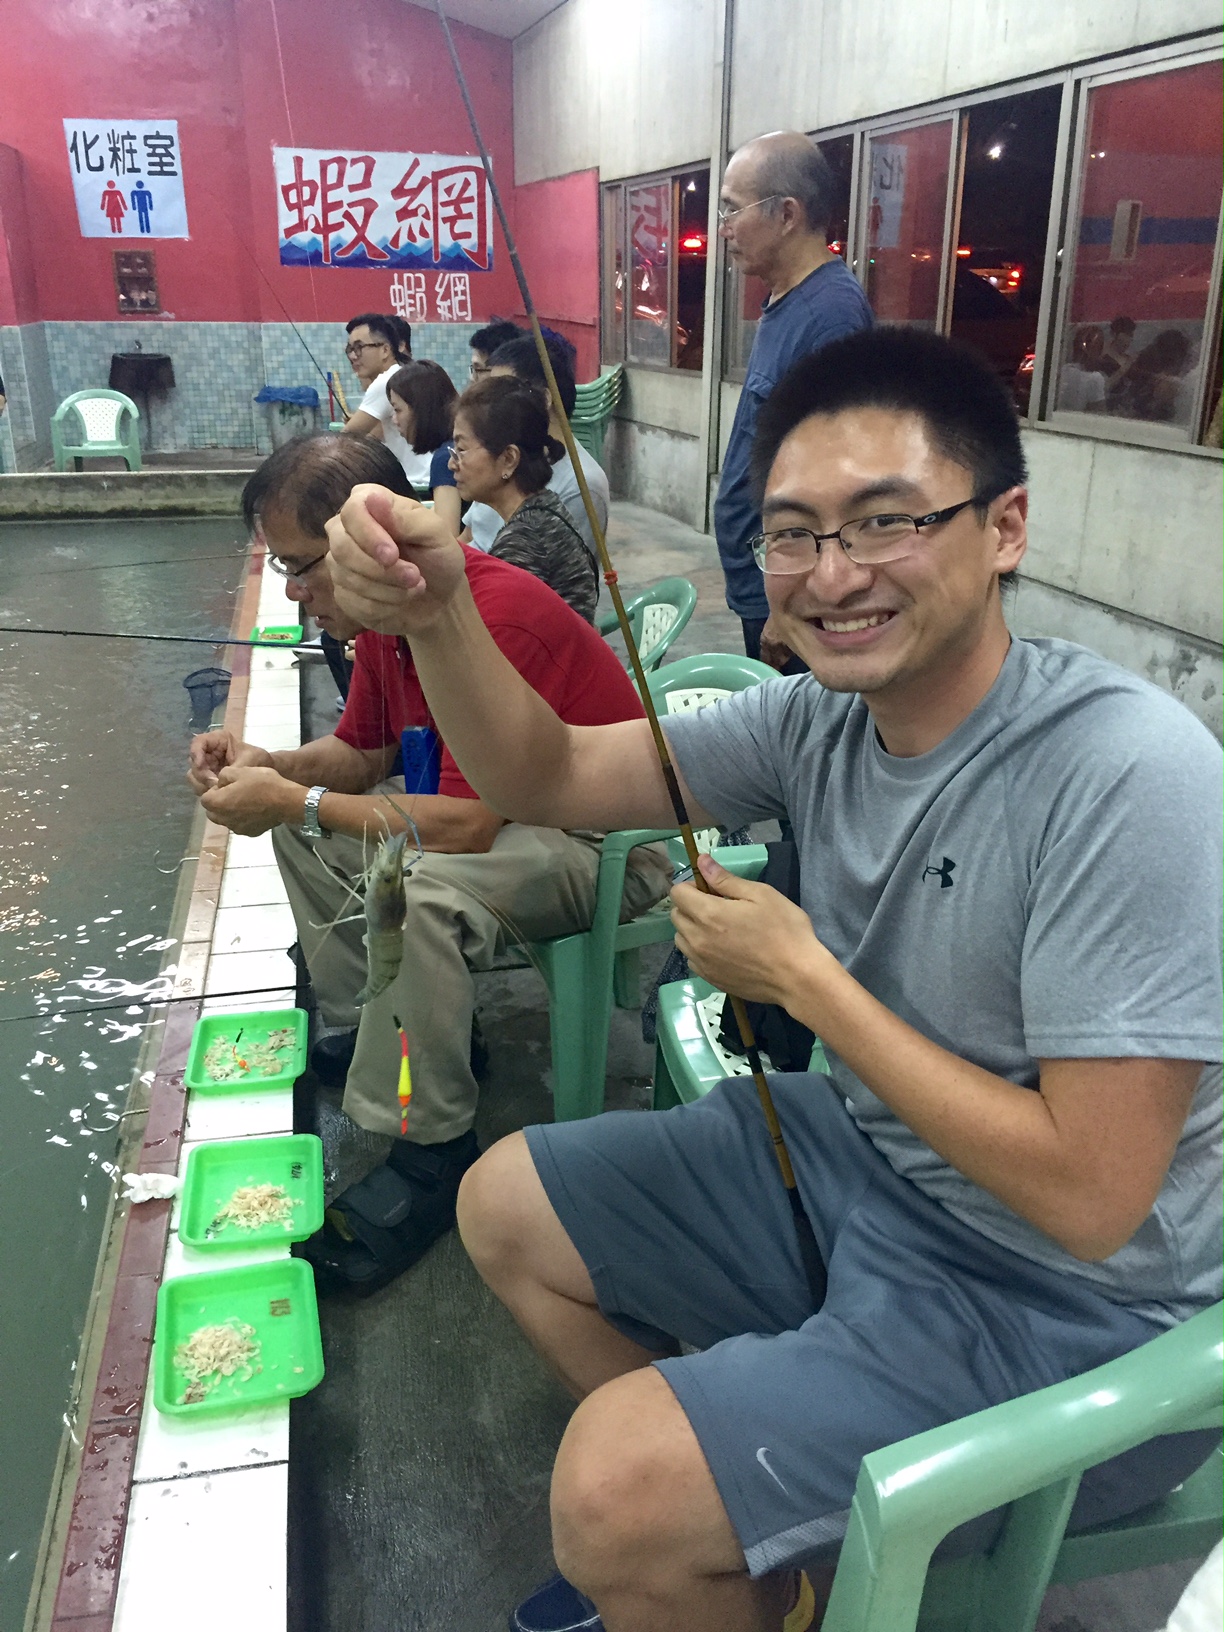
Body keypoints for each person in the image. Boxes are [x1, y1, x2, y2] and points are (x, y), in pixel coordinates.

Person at [326, 326, 1224, 1632]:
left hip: (1073, 1314)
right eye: (795, 533)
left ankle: (699, 1541)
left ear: (1006, 527)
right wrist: (443, 604)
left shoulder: (1128, 776)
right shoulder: (818, 719)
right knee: (505, 1204)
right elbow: (551, 776)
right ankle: (755, 1563)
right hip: (874, 1169)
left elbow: (1095, 1199)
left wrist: (808, 983)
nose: (831, 574)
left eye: (885, 524)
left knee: (610, 1492)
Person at [187, 432, 668, 1295]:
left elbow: (461, 826)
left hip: (601, 845)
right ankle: (374, 1029)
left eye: (303, 567)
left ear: (371, 540)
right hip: (506, 827)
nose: (295, 594)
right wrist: (271, 766)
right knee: (303, 827)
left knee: (419, 891)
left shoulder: (498, 612)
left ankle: (433, 1149)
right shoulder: (383, 618)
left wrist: (289, 798)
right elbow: (360, 752)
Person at [714, 131, 873, 673]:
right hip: (760, 582)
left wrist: (792, 606)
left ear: (786, 214)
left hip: (786, 597)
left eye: (732, 210)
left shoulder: (831, 316)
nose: (725, 228)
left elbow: (835, 480)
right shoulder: (784, 301)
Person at [452, 375, 599, 621]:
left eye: (462, 450)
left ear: (508, 459)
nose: (452, 463)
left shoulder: (525, 541)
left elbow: (496, 639)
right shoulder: (543, 507)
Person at [467, 332, 611, 559]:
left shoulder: (582, 485)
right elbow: (469, 537)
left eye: (505, 394)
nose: (493, 408)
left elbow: (556, 583)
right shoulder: (505, 457)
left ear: (544, 399)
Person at [340, 312, 432, 490]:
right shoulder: (406, 372)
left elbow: (345, 439)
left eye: (359, 348)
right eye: (350, 349)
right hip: (430, 477)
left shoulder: (385, 381)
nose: (353, 356)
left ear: (385, 350)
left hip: (417, 484)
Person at [385, 360, 462, 536]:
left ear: (421, 410)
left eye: (398, 410)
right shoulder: (453, 447)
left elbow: (447, 538)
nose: (394, 420)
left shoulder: (445, 459)